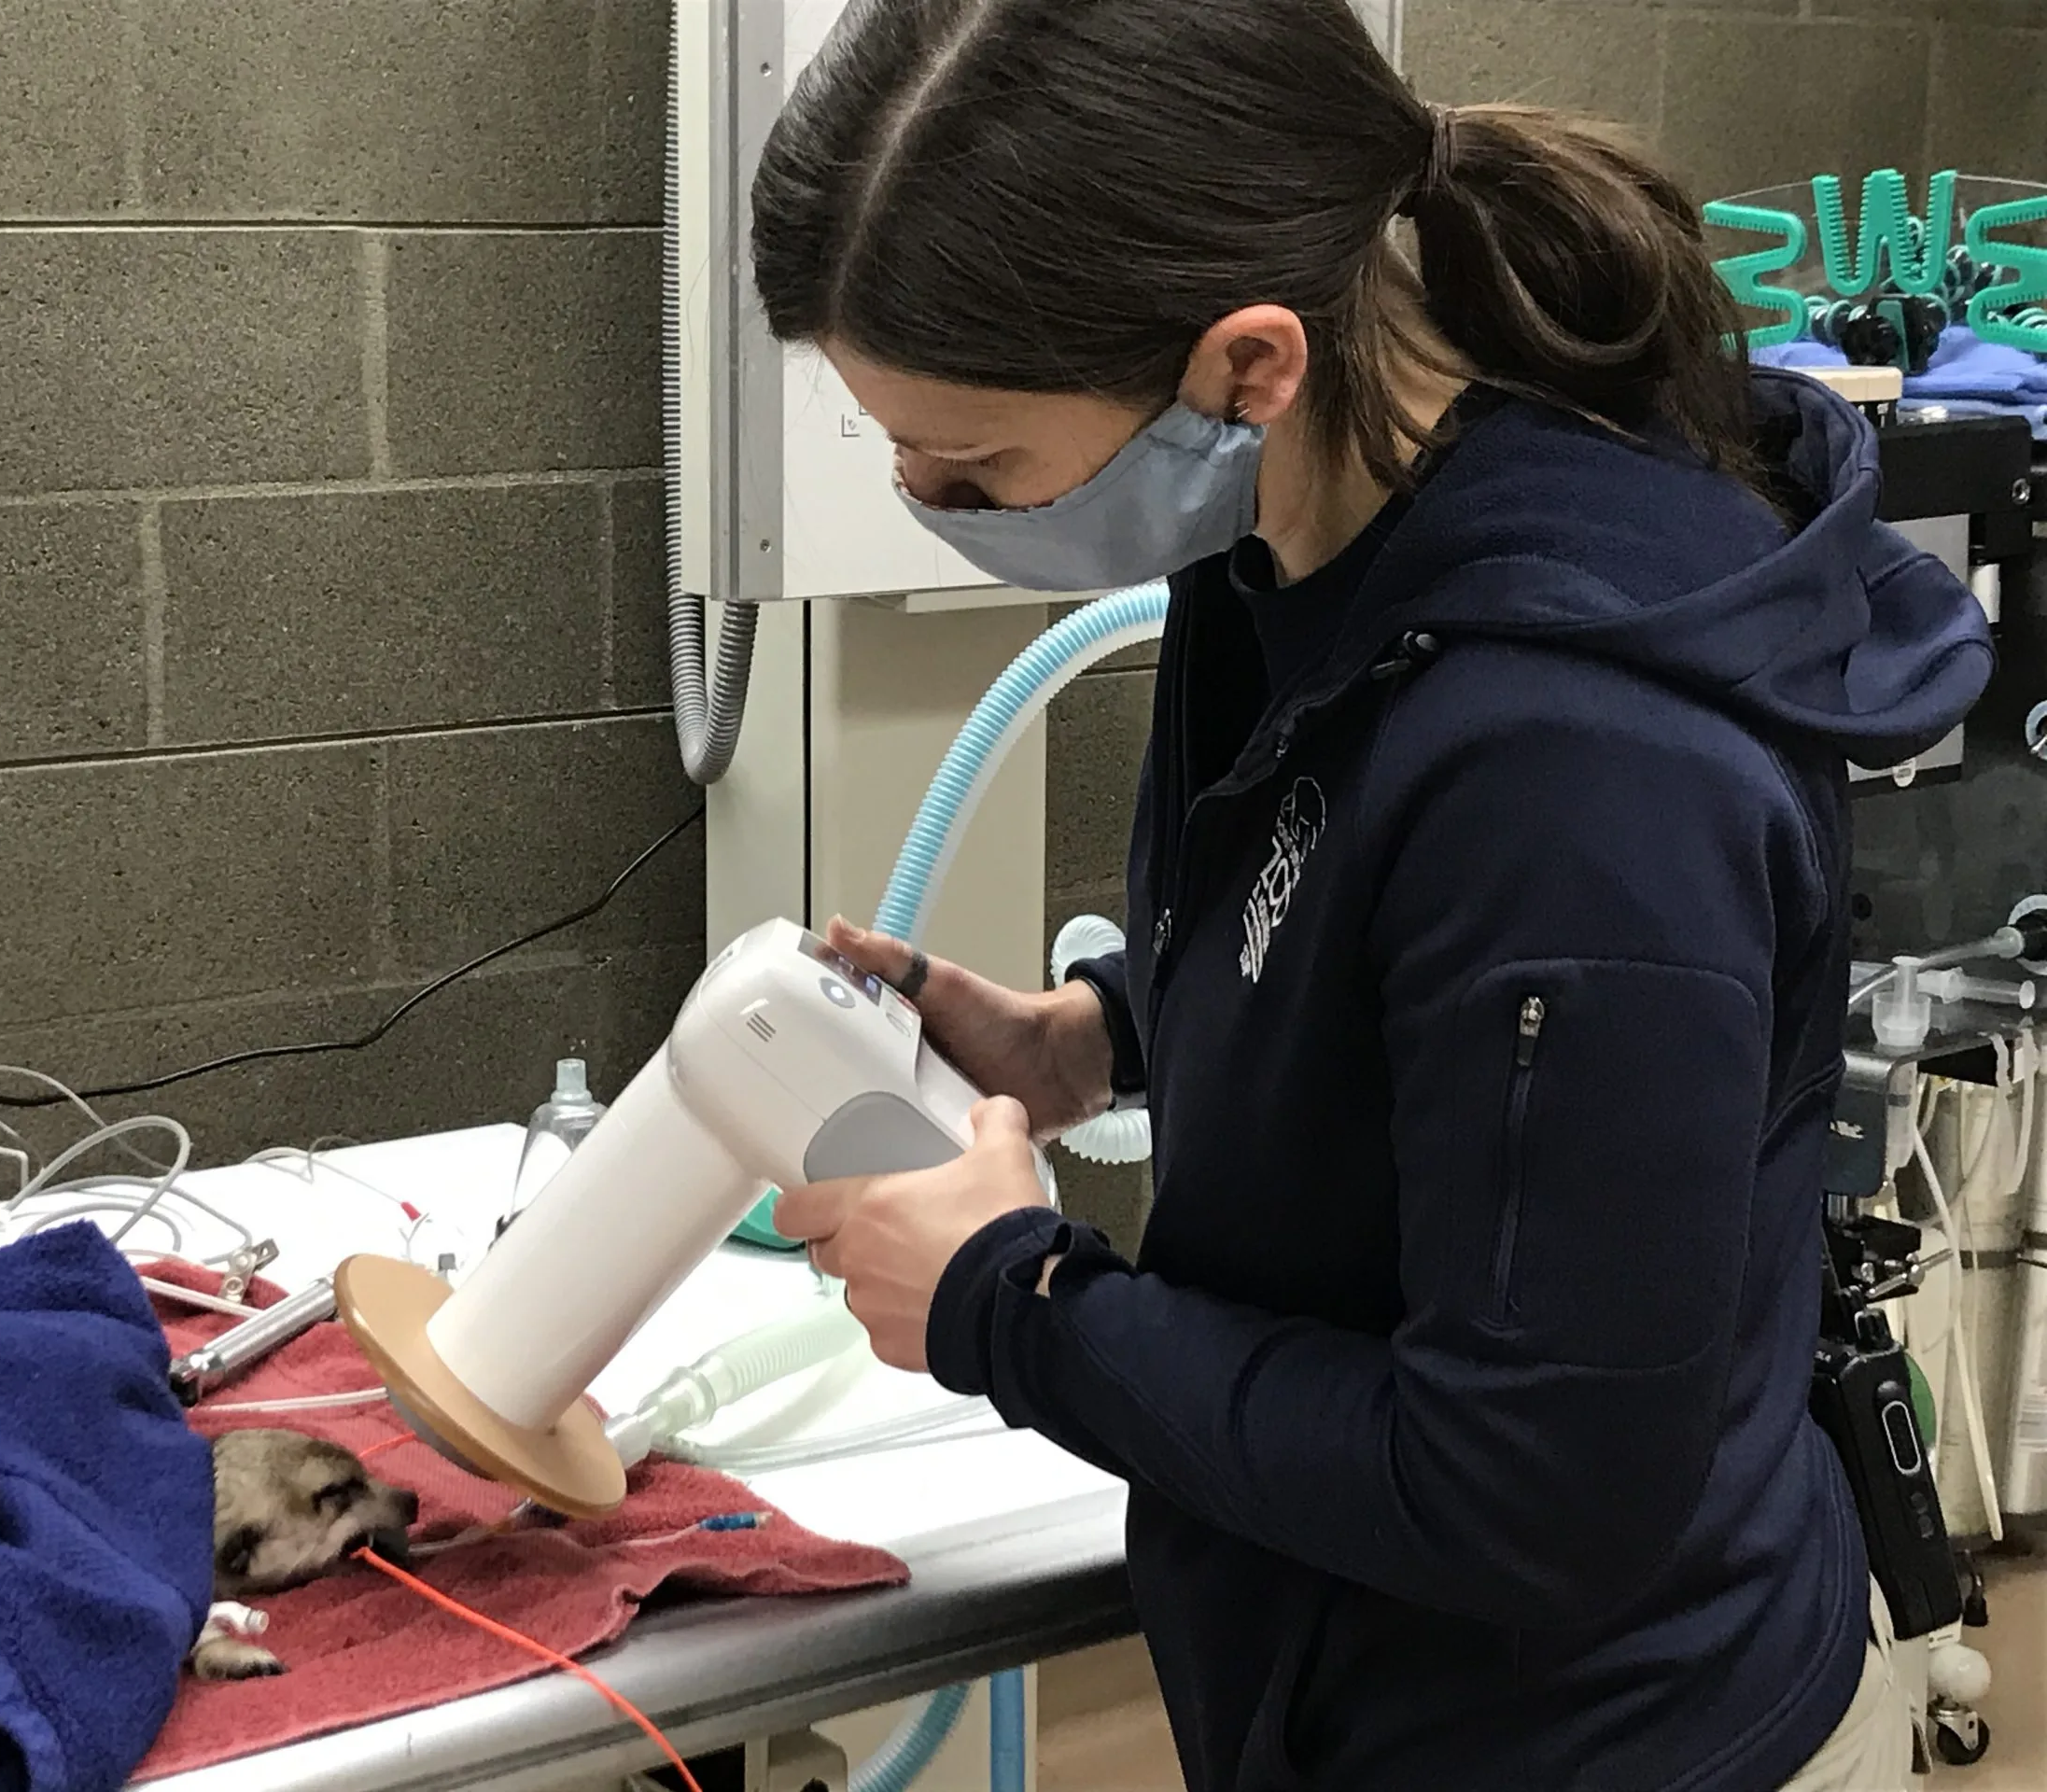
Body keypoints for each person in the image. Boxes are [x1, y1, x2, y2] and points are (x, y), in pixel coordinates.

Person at [753, 3, 1995, 1788]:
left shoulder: (1582, 774)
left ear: (1246, 365)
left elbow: (1534, 1496)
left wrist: (1011, 1306)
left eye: (978, 466)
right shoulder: (1280, 546)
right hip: (1351, 1687)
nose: (926, 499)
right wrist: (1092, 1038)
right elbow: (1367, 965)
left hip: (1608, 1740)